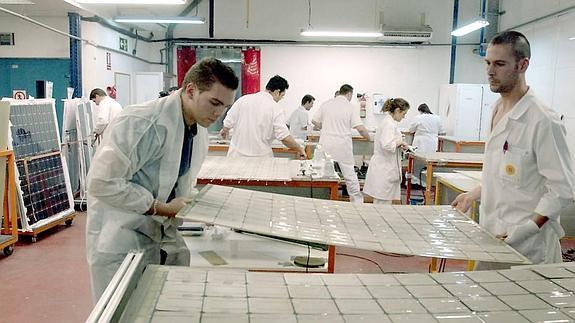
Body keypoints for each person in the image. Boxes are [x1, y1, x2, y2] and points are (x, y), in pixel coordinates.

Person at [85, 58, 239, 301]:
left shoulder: (196, 129)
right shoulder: (141, 121)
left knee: (165, 304)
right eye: (214, 102)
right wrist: (159, 207)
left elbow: (179, 180)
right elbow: (101, 182)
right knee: (124, 309)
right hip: (122, 237)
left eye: (226, 107)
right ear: (190, 90)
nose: (219, 113)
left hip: (160, 234)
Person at [451, 31, 575, 269]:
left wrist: (527, 229)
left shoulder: (542, 120)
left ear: (522, 65)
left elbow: (562, 189)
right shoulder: (496, 110)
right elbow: (504, 175)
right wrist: (473, 194)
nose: (490, 71)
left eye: (499, 64)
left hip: (530, 248)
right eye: (487, 63)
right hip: (491, 235)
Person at [220, 75, 306, 159]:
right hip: (260, 159)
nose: (280, 99)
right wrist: (300, 149)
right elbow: (284, 137)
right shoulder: (275, 108)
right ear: (277, 92)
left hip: (236, 157)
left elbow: (227, 123)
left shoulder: (243, 100)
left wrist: (224, 131)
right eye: (282, 95)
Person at [312, 84, 370, 204]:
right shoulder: (350, 107)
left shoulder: (326, 104)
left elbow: (314, 120)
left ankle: (320, 199)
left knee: (321, 172)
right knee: (349, 175)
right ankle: (357, 202)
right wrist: (368, 137)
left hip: (326, 144)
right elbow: (360, 128)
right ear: (349, 94)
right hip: (342, 146)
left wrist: (324, 127)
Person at [363, 98, 410, 204]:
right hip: (384, 168)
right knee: (382, 204)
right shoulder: (389, 124)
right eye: (404, 114)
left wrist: (399, 142)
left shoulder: (389, 122)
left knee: (384, 203)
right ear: (397, 110)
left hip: (385, 167)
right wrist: (400, 142)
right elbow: (387, 145)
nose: (404, 117)